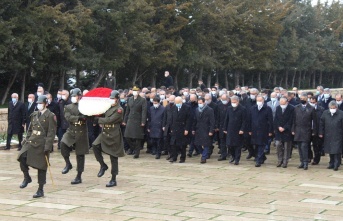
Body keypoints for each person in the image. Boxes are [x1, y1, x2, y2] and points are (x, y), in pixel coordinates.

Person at [17, 95, 56, 198]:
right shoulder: (34, 114)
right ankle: (27, 177)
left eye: (41, 103)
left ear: (46, 104)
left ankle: (40, 189)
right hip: (31, 141)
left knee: (41, 167)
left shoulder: (50, 116)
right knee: (21, 156)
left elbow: (51, 133)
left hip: (42, 143)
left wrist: (48, 146)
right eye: (38, 103)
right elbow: (30, 129)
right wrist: (26, 139)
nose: (39, 105)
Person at [92, 90, 125, 187]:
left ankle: (113, 178)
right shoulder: (107, 107)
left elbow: (110, 120)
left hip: (113, 133)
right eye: (110, 98)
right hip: (105, 132)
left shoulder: (119, 109)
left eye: (113, 99)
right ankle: (103, 165)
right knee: (95, 145)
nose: (111, 100)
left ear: (117, 99)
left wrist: (98, 120)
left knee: (113, 156)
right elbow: (100, 114)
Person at [60, 88, 89, 184]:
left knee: (80, 154)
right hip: (71, 130)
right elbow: (68, 117)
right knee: (63, 144)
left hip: (81, 131)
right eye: (72, 96)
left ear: (79, 96)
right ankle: (68, 164)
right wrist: (79, 117)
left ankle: (79, 176)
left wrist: (86, 116)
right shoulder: (68, 106)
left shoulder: (85, 106)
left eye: (75, 96)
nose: (73, 98)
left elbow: (89, 116)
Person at [292, 92, 317, 170]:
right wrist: (293, 129)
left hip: (306, 130)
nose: (302, 100)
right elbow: (294, 120)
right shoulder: (296, 107)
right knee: (299, 147)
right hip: (298, 130)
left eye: (303, 98)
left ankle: (306, 162)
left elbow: (315, 121)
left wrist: (314, 131)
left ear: (307, 99)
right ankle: (302, 162)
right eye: (301, 98)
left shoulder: (311, 108)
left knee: (304, 146)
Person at [248, 95, 273, 167]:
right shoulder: (252, 108)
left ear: (263, 101)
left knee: (261, 145)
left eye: (260, 100)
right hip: (254, 130)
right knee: (256, 145)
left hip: (264, 130)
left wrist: (270, 131)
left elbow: (270, 121)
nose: (259, 102)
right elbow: (249, 119)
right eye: (257, 101)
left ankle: (258, 160)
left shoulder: (268, 109)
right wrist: (249, 129)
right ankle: (263, 157)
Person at [123, 86, 147, 159]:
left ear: (139, 91)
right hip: (130, 119)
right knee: (127, 136)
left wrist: (143, 121)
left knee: (137, 137)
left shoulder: (142, 100)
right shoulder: (130, 99)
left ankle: (137, 153)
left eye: (136, 91)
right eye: (133, 91)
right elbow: (127, 111)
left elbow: (144, 111)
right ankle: (134, 148)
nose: (134, 92)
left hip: (138, 120)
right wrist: (124, 120)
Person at [319, 101, 343, 171]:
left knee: (336, 150)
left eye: (334, 107)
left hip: (338, 135)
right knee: (330, 150)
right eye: (331, 108)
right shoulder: (325, 113)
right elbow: (321, 123)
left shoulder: (341, 114)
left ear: (336, 107)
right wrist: (321, 132)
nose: (332, 109)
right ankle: (331, 163)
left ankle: (336, 164)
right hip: (328, 134)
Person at [223, 96, 247, 165]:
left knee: (237, 146)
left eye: (234, 102)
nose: (233, 103)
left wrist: (242, 129)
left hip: (238, 130)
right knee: (229, 145)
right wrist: (225, 128)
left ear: (238, 102)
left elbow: (244, 120)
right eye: (232, 102)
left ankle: (237, 159)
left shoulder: (242, 109)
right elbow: (226, 118)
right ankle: (233, 156)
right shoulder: (229, 108)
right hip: (230, 129)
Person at [168, 97, 191, 163]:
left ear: (181, 102)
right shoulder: (174, 107)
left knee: (182, 145)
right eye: (176, 102)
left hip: (182, 128)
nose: (177, 104)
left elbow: (188, 119)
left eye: (178, 102)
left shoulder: (187, 108)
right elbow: (171, 118)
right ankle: (174, 157)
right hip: (175, 128)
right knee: (173, 144)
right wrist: (171, 128)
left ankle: (182, 158)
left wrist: (186, 129)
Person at [192, 97, 215, 164]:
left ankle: (204, 157)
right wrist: (193, 129)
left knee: (206, 144)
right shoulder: (197, 110)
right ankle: (203, 153)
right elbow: (195, 120)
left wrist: (211, 130)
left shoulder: (209, 110)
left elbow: (212, 121)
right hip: (198, 129)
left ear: (204, 102)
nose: (199, 104)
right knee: (197, 144)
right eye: (198, 103)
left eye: (201, 103)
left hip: (206, 129)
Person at [274, 97, 294, 168]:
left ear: (287, 102)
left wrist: (285, 128)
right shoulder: (278, 108)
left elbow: (291, 120)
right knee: (278, 145)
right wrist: (278, 126)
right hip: (279, 130)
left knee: (287, 147)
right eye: (280, 103)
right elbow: (276, 118)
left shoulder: (291, 108)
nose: (281, 104)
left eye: (283, 103)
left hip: (287, 131)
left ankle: (285, 161)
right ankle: (280, 160)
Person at [309, 96, 325, 165]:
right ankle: (309, 157)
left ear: (316, 102)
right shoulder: (307, 109)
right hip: (308, 130)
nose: (312, 103)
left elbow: (322, 121)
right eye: (311, 102)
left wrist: (320, 132)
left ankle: (316, 159)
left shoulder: (321, 109)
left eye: (313, 102)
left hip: (317, 130)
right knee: (306, 145)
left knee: (316, 146)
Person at [216, 94, 230, 161]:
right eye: (222, 99)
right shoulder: (219, 105)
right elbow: (217, 116)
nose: (223, 101)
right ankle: (223, 154)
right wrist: (217, 126)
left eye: (225, 99)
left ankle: (230, 153)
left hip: (229, 126)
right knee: (222, 141)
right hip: (221, 126)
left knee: (230, 141)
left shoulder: (231, 105)